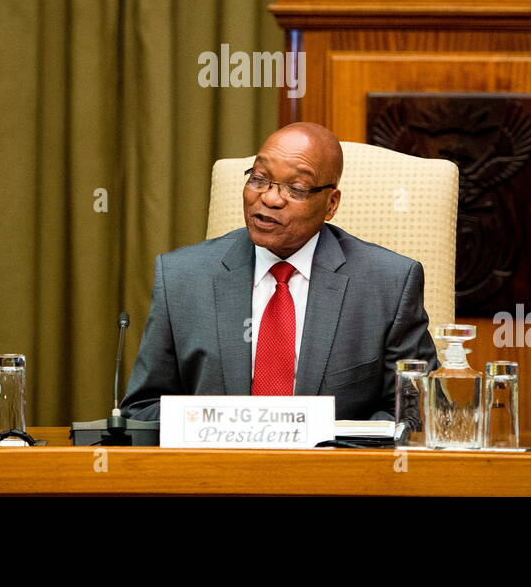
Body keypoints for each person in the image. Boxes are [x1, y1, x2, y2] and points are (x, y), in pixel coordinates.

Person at [121, 122, 439, 422]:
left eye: (296, 188)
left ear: (331, 204)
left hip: (332, 473)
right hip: (217, 473)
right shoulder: (182, 277)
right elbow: (143, 407)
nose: (270, 198)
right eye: (258, 179)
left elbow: (414, 410)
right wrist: (220, 425)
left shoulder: (389, 283)